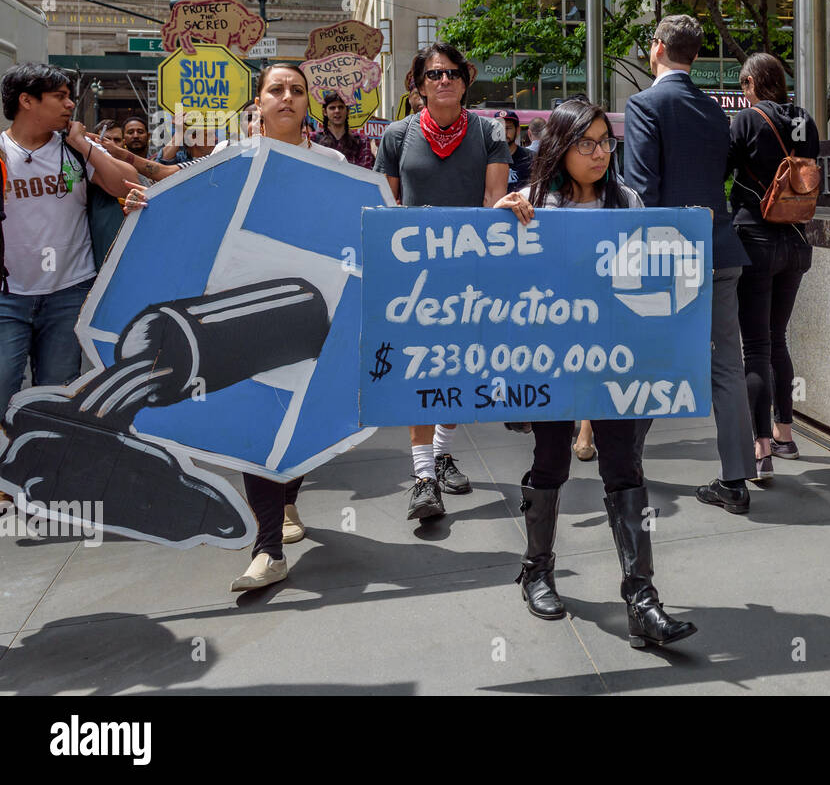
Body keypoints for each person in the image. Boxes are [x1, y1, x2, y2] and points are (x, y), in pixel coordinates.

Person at [125, 64, 345, 593]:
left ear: (307, 102)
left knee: (298, 411)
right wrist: (144, 207)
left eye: (297, 90)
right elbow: (188, 211)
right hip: (241, 315)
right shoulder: (230, 159)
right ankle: (268, 547)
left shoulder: (334, 164)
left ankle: (289, 496)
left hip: (316, 311)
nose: (287, 97)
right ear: (258, 105)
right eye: (277, 89)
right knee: (256, 419)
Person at [492, 98, 696, 648]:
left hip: (614, 358)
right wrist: (502, 220)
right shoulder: (534, 201)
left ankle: (642, 598)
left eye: (607, 142)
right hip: (551, 359)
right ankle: (536, 570)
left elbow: (652, 269)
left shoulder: (625, 200)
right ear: (561, 146)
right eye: (588, 143)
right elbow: (498, 275)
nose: (601, 153)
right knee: (551, 459)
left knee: (624, 467)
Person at [623, 15, 755, 514]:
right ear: (695, 56)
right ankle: (737, 479)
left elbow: (641, 191)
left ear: (657, 49)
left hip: (665, 254)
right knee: (727, 365)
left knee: (652, 359)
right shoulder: (715, 111)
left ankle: (627, 462)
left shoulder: (644, 105)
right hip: (719, 248)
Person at [375, 43, 511, 524]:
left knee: (457, 368)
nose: (444, 80)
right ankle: (423, 478)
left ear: (465, 80)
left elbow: (494, 198)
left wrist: (510, 207)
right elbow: (385, 209)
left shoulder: (489, 133)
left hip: (470, 273)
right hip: (414, 277)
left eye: (452, 73)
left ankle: (443, 451)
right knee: (420, 371)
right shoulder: (396, 135)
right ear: (419, 82)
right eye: (434, 74)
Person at [0, 64, 141, 418]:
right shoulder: (1, 152)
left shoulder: (75, 149)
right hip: (8, 295)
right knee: (2, 388)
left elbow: (128, 182)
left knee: (57, 394)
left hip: (69, 292)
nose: (69, 105)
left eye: (69, 97)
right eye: (60, 97)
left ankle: (45, 468)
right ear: (27, 101)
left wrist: (82, 142)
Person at [728, 53, 819, 480]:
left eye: (742, 86)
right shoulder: (804, 119)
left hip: (756, 241)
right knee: (778, 338)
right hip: (797, 242)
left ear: (750, 84)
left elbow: (724, 174)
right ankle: (785, 435)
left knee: (756, 348)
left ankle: (760, 449)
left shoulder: (745, 122)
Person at [313, 90, 375, 169]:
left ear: (347, 111)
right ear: (325, 112)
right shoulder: (313, 139)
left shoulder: (362, 141)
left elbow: (365, 173)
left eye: (341, 107)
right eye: (332, 108)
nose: (337, 111)